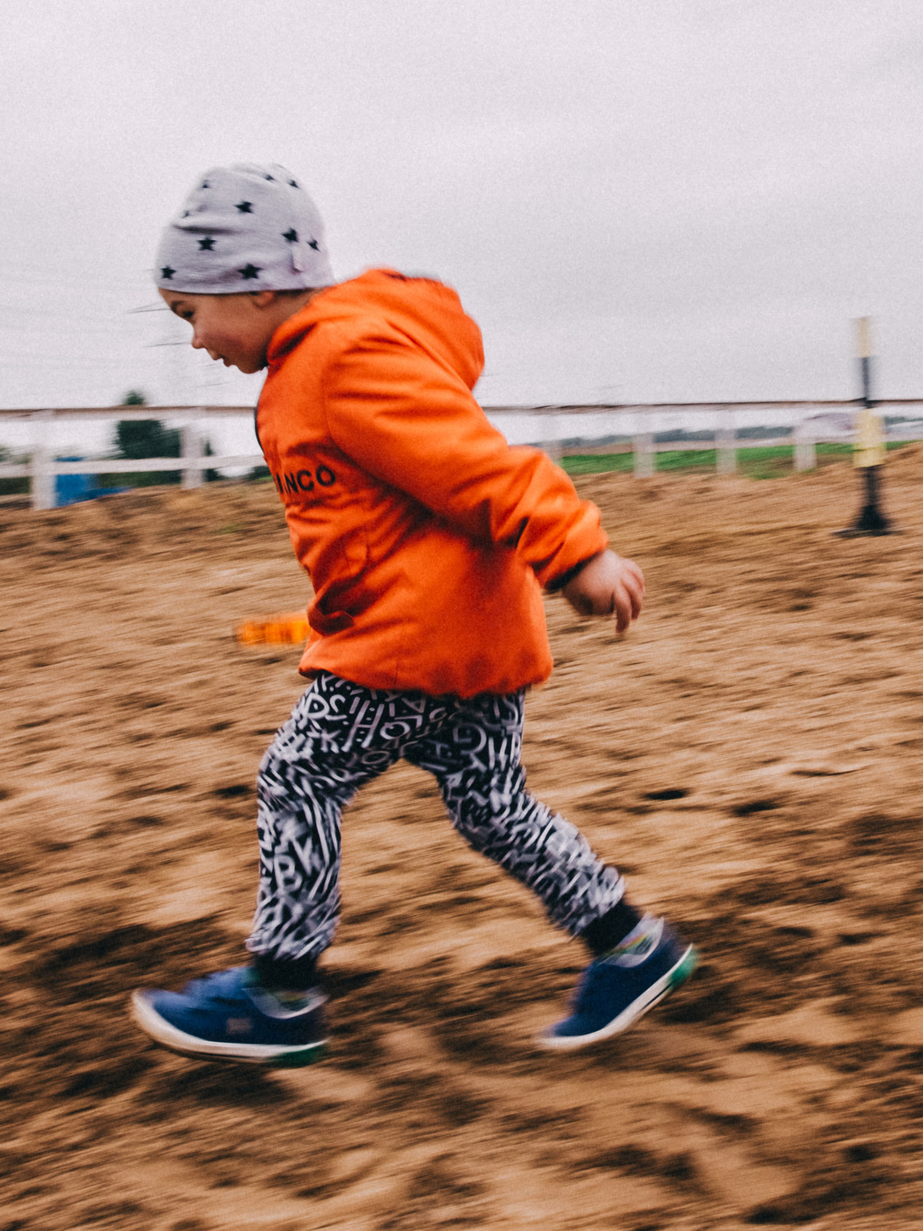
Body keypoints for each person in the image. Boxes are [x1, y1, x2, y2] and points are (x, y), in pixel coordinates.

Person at [128, 163, 696, 1063]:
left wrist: (575, 551)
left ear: (257, 284)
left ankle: (281, 990)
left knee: (299, 779)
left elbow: (475, 463)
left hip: (412, 640)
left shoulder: (341, 356)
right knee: (489, 802)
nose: (194, 339)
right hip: (466, 629)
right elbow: (374, 518)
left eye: (192, 312)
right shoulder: (318, 361)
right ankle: (630, 945)